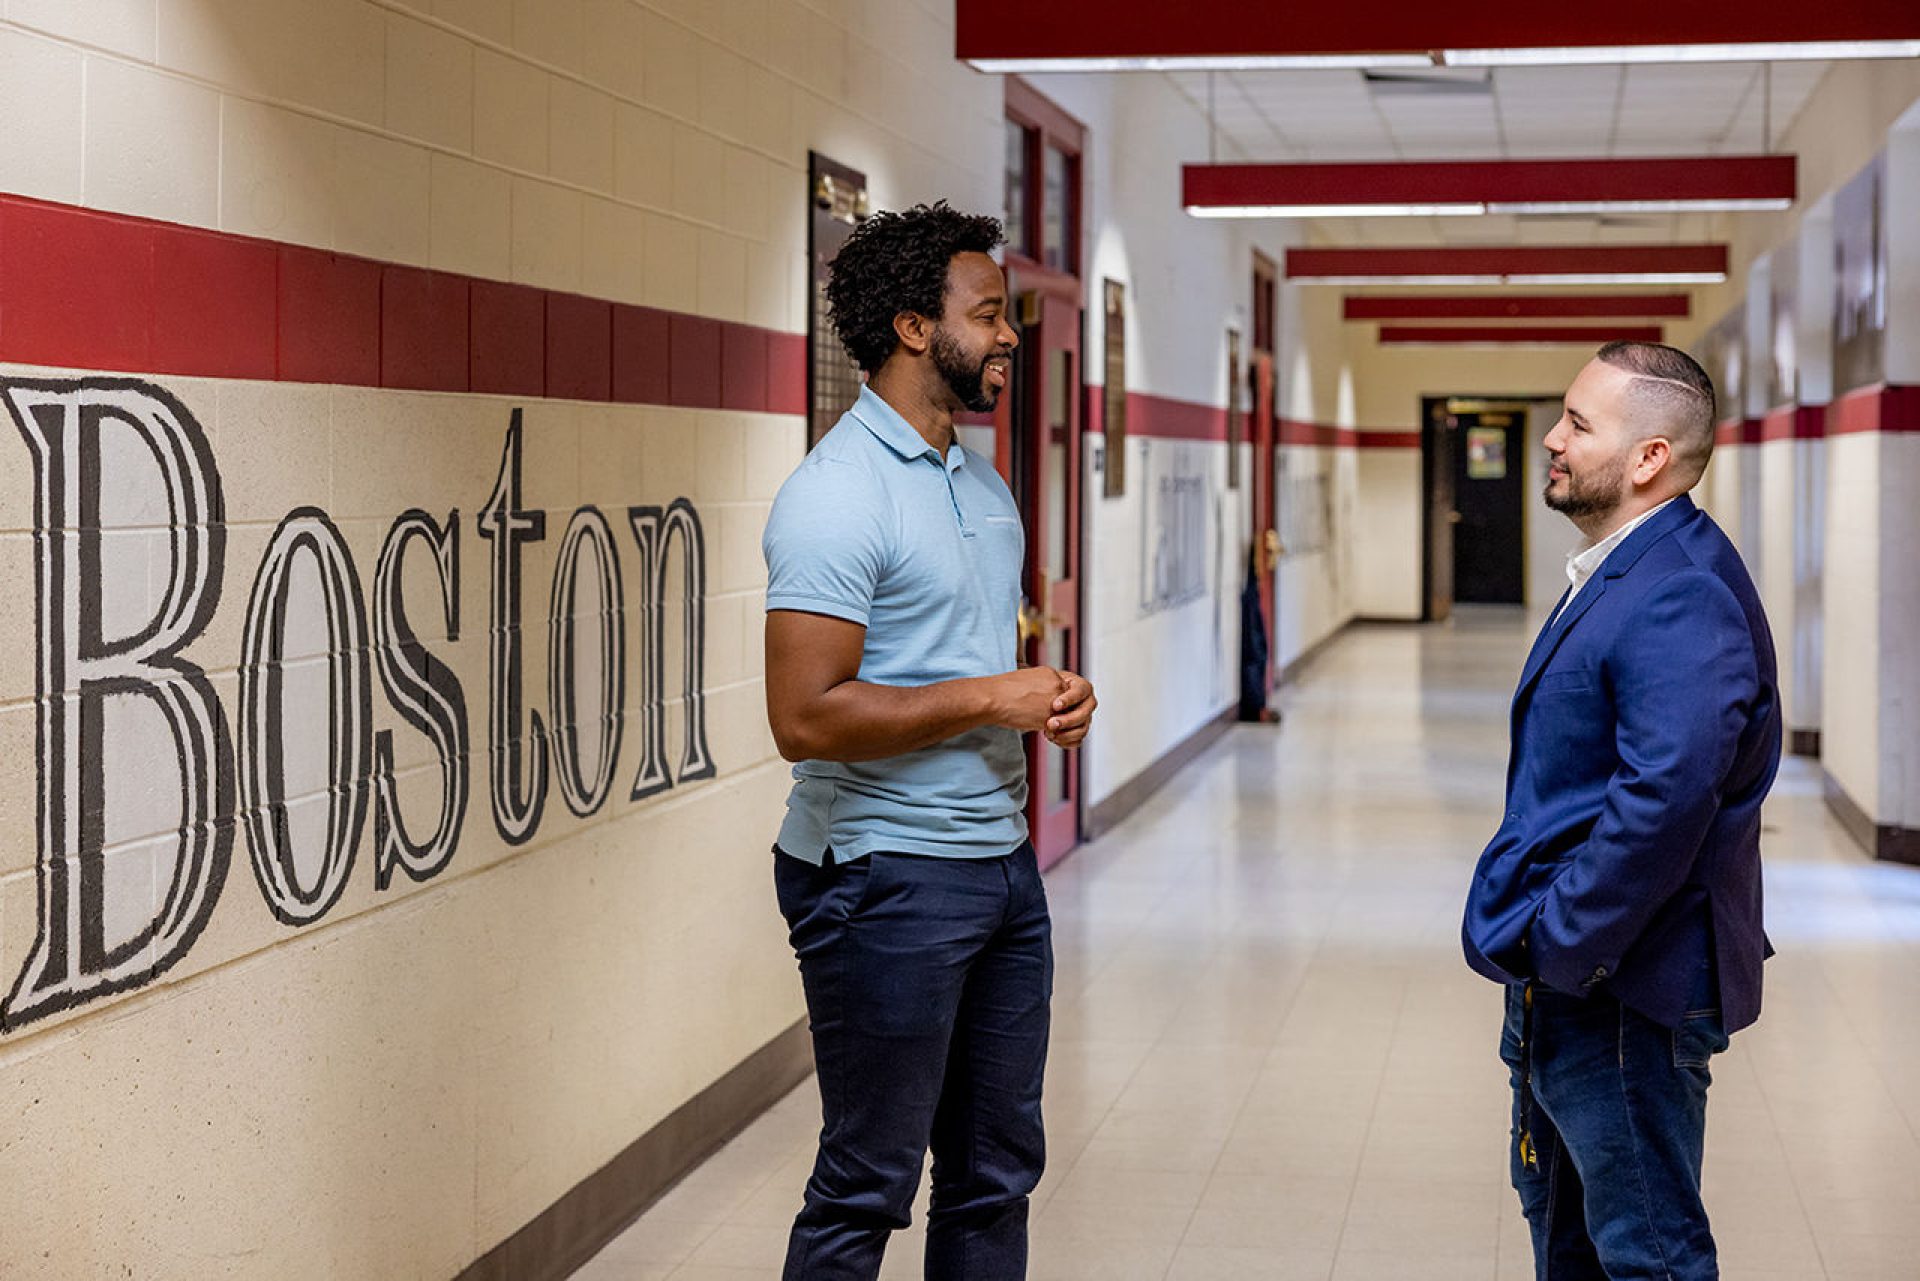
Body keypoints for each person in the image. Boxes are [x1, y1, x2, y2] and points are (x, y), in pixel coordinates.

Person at [761, 201, 1097, 1280]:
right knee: (867, 1182)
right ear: (915, 328)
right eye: (989, 314)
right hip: (881, 875)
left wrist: (1048, 699)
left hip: (999, 867)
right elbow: (804, 716)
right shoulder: (835, 495)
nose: (1009, 336)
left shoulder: (983, 485)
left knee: (997, 1174)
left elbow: (968, 667)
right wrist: (987, 698)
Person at [1462, 341, 1781, 1280]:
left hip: (1622, 989)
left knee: (1648, 1250)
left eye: (1577, 423)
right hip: (1575, 979)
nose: (1552, 439)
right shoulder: (1625, 565)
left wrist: (1559, 944)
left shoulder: (1679, 587)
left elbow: (1664, 801)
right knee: (1567, 1230)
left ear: (1649, 457)